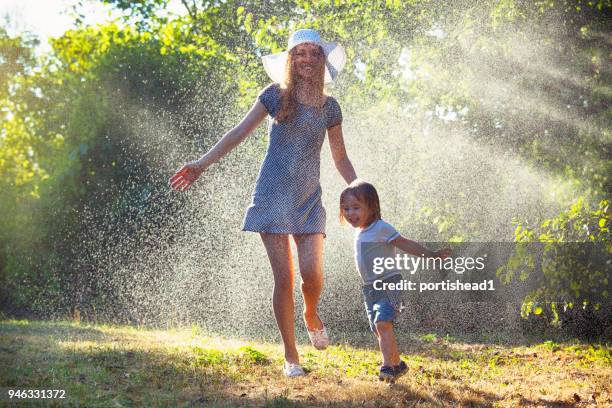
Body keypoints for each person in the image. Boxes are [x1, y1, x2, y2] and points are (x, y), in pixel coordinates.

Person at [169, 29, 357, 377]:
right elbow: (238, 133)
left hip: (308, 200)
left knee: (312, 274)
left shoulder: (330, 108)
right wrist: (200, 164)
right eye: (298, 53)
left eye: (313, 53)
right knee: (284, 279)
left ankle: (311, 311)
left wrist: (359, 185)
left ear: (322, 60)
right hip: (271, 196)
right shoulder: (274, 96)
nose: (306, 59)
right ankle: (291, 357)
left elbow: (340, 157)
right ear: (290, 60)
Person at [339, 180, 451, 382]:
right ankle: (398, 364)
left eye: (356, 207)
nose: (349, 213)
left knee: (382, 323)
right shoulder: (360, 231)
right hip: (370, 289)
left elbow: (405, 244)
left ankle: (387, 367)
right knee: (379, 328)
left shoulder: (381, 227)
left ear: (371, 207)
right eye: (346, 208)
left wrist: (432, 255)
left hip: (390, 284)